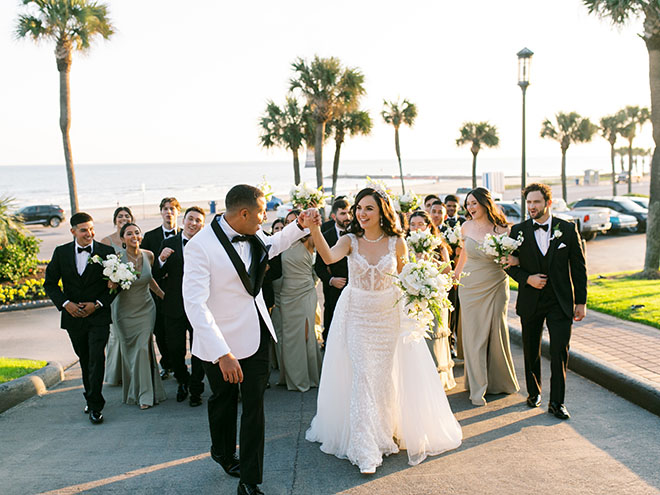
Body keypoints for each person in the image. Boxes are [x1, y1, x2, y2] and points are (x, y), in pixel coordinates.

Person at [306, 188, 462, 474]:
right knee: (364, 374)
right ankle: (365, 447)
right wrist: (315, 228)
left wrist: (423, 287)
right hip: (357, 315)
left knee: (382, 376)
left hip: (388, 316)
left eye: (368, 209)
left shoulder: (397, 242)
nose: (362, 214)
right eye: (359, 208)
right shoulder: (350, 240)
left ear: (382, 212)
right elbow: (327, 257)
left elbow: (405, 277)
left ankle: (384, 429)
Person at [183, 184, 319, 495]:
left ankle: (249, 480)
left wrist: (300, 225)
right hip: (219, 344)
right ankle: (222, 452)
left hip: (257, 333)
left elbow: (270, 246)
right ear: (244, 213)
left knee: (255, 406)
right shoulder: (199, 246)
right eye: (261, 212)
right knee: (224, 402)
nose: (265, 217)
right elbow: (195, 304)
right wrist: (222, 353)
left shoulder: (253, 233)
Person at [507, 183, 587, 419]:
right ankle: (534, 393)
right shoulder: (518, 231)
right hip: (531, 300)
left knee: (560, 351)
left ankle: (557, 402)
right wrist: (527, 279)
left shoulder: (568, 229)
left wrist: (580, 302)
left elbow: (579, 268)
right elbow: (507, 265)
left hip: (560, 301)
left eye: (536, 202)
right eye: (529, 202)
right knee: (531, 349)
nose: (531, 207)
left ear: (548, 203)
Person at [44, 212, 117, 424]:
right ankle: (90, 395)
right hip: (73, 318)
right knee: (85, 359)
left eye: (91, 229)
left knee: (97, 357)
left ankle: (96, 405)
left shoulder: (107, 252)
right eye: (84, 230)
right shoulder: (61, 253)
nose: (89, 233)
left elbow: (115, 285)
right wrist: (66, 304)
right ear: (73, 231)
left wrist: (99, 304)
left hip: (99, 317)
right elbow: (50, 284)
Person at [454, 188, 519, 406]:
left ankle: (498, 382)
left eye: (474, 203)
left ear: (485, 203)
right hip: (470, 285)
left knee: (495, 331)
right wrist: (455, 274)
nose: (470, 208)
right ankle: (477, 387)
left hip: (496, 283)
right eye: (468, 204)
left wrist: (512, 261)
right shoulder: (466, 226)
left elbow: (513, 258)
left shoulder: (503, 229)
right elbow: (464, 252)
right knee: (474, 336)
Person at [153, 206, 206, 407]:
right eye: (190, 219)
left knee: (199, 350)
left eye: (198, 220)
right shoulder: (168, 243)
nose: (193, 223)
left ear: (202, 224)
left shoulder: (207, 245)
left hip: (200, 306)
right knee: (175, 350)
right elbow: (156, 275)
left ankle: (196, 388)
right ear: (183, 221)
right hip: (174, 306)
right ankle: (183, 381)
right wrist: (161, 259)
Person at [113, 223, 167, 409]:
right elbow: (109, 288)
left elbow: (149, 278)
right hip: (123, 312)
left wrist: (163, 295)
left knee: (143, 348)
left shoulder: (149, 255)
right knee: (131, 353)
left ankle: (145, 395)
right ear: (122, 239)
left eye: (137, 232)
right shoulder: (116, 260)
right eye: (129, 233)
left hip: (145, 308)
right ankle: (135, 391)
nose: (134, 236)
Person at [408, 211, 456, 390]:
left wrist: (428, 259)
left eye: (420, 224)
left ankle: (437, 379)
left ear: (428, 226)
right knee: (416, 337)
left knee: (434, 335)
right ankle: (418, 379)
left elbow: (447, 271)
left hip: (435, 295)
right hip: (413, 297)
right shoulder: (406, 245)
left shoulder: (439, 246)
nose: (416, 227)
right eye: (413, 224)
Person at [141, 197, 181, 380]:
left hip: (181, 292)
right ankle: (167, 363)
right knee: (161, 331)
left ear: (178, 212)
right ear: (161, 212)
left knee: (179, 334)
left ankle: (180, 367)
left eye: (172, 208)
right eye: (165, 208)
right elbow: (144, 266)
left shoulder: (187, 233)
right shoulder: (150, 237)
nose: (169, 212)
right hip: (158, 292)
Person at [279, 232, 322, 392]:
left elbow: (324, 257)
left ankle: (309, 375)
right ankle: (292, 377)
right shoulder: (282, 242)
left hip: (305, 292)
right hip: (287, 294)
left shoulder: (310, 240)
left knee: (306, 334)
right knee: (290, 337)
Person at [99, 206, 134, 386]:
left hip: (133, 293)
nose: (123, 218)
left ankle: (133, 370)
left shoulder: (134, 238)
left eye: (127, 216)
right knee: (117, 334)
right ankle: (116, 373)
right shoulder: (106, 241)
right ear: (115, 220)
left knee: (131, 332)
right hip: (115, 294)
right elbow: (100, 267)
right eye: (120, 216)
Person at [314, 197, 351, 344]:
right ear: (334, 216)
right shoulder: (326, 236)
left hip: (354, 286)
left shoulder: (358, 233)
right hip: (333, 288)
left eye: (349, 213)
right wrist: (331, 281)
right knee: (332, 320)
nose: (347, 217)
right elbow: (319, 266)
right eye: (343, 214)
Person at [264, 219, 285, 385]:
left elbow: (276, 270)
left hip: (265, 297)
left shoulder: (266, 239)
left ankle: (263, 376)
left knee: (264, 337)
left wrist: (263, 273)